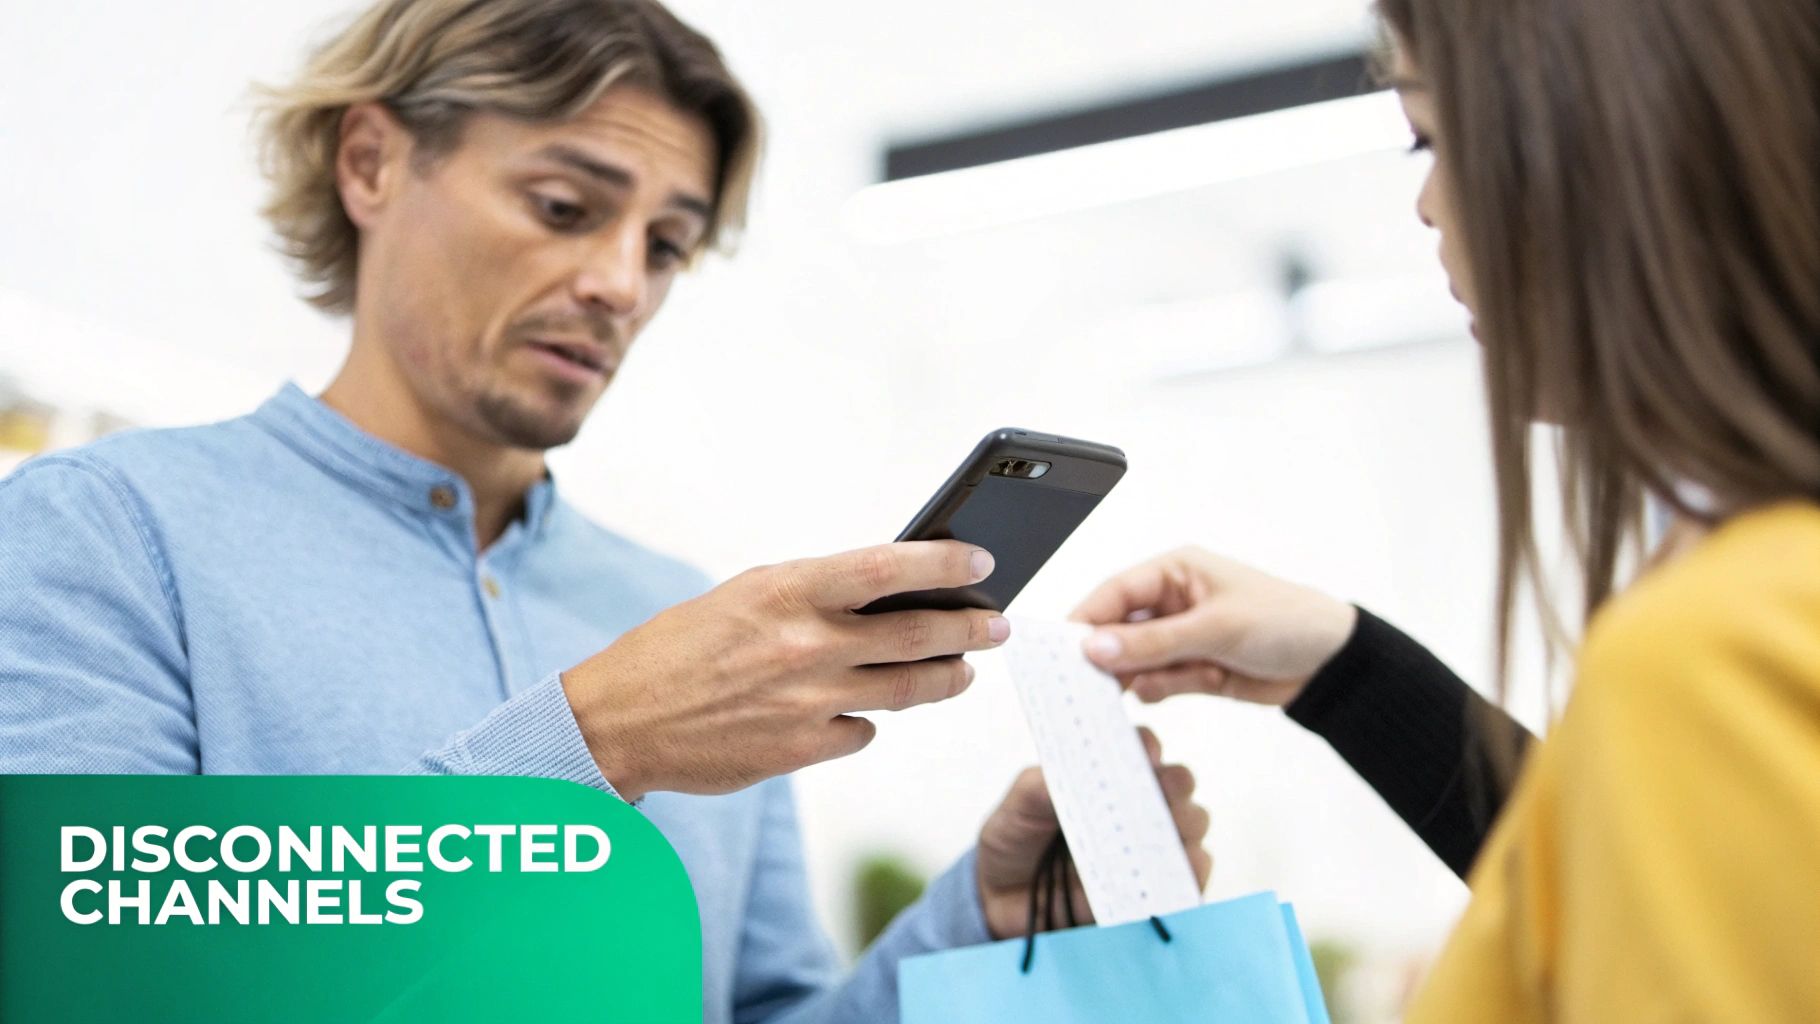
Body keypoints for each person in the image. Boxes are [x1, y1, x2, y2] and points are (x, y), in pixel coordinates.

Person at [0, 1, 1212, 1020]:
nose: (618, 285)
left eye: (667, 243)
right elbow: (99, 990)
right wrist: (586, 750)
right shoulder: (103, 537)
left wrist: (982, 923)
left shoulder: (682, 618)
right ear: (370, 163)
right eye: (566, 208)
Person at [1075, 0, 1820, 1018]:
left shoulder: (1705, 652)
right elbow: (1617, 886)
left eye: (1428, 133)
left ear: (1595, 142)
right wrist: (1346, 670)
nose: (1425, 205)